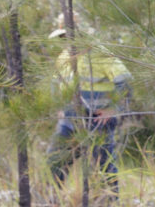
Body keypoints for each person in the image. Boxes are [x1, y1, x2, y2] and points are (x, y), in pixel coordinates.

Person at [48, 34, 132, 192]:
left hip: (98, 120)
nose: (66, 39)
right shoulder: (64, 56)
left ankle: (110, 204)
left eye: (68, 35)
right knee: (55, 158)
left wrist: (112, 110)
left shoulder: (101, 54)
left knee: (103, 162)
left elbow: (126, 83)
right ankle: (56, 200)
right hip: (69, 119)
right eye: (62, 36)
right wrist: (58, 106)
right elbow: (55, 82)